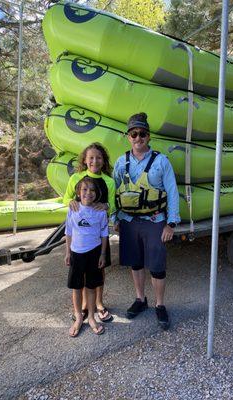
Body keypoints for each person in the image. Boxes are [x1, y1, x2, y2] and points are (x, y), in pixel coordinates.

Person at [113, 112, 180, 330]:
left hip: (154, 220)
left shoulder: (161, 161)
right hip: (128, 221)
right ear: (128, 136)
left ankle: (160, 305)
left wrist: (171, 223)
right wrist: (114, 218)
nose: (138, 138)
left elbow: (172, 191)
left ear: (148, 136)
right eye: (134, 134)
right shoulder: (120, 163)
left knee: (157, 266)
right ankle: (141, 300)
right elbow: (114, 192)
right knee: (136, 262)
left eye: (142, 134)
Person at [63, 143, 116, 323]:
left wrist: (107, 206)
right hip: (80, 237)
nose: (95, 161)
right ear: (85, 160)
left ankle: (99, 303)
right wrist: (71, 201)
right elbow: (66, 198)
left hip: (98, 236)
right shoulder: (76, 178)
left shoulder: (109, 181)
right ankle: (85, 306)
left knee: (99, 270)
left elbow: (113, 205)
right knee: (82, 273)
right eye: (91, 157)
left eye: (99, 158)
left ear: (104, 161)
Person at [65, 176, 109, 337]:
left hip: (94, 253)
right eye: (84, 189)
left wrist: (103, 254)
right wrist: (68, 252)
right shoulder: (73, 209)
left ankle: (91, 316)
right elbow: (68, 231)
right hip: (76, 253)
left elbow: (104, 233)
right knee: (77, 287)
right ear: (78, 192)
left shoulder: (101, 212)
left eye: (92, 190)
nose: (88, 193)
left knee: (91, 287)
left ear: (97, 194)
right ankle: (78, 317)